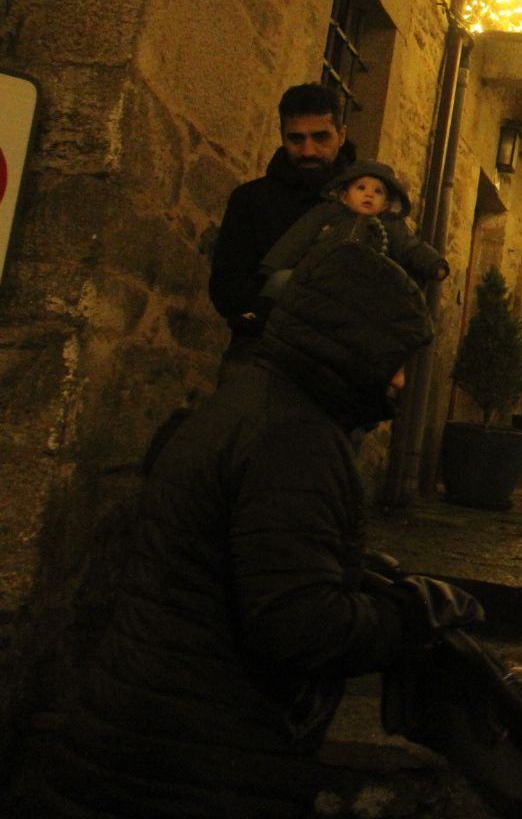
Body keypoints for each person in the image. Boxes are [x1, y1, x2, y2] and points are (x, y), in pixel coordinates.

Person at [32, 227, 476, 817]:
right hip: (196, 762)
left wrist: (348, 569)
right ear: (353, 343)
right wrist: (411, 615)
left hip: (143, 736)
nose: (398, 380)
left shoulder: (247, 404)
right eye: (394, 360)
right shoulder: (295, 438)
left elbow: (246, 554)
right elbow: (298, 626)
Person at [208, 82, 359, 365]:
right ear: (282, 136)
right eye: (296, 139)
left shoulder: (365, 205)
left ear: (341, 135)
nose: (308, 150)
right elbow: (227, 290)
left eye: (320, 137)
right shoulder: (251, 200)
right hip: (262, 353)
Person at [256, 159, 448, 297]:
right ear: (344, 196)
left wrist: (434, 264)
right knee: (281, 281)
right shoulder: (327, 213)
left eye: (378, 191)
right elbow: (299, 237)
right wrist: (273, 266)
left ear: (385, 205)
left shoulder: (389, 226)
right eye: (361, 188)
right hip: (316, 277)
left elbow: (410, 247)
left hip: (364, 287)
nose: (369, 195)